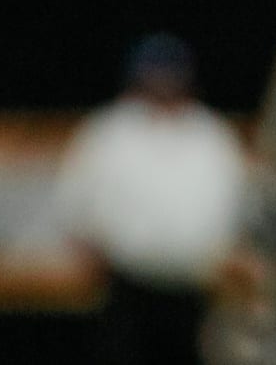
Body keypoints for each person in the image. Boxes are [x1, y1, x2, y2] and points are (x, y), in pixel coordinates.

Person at [51, 32, 250, 365]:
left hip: (193, 288)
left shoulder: (210, 135)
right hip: (128, 285)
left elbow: (239, 206)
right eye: (155, 73)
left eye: (171, 73)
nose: (163, 82)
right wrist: (87, 249)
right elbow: (74, 203)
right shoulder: (109, 131)